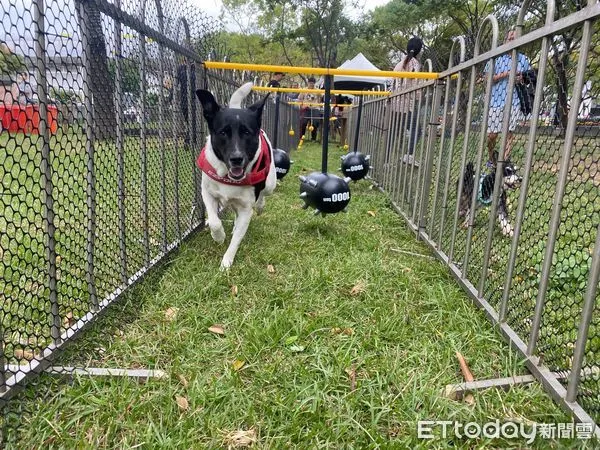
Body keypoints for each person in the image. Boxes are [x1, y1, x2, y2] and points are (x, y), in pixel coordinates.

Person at [485, 27, 531, 167]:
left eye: (515, 39)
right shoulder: (496, 58)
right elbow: (487, 79)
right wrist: (505, 74)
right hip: (495, 100)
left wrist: (521, 78)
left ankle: (503, 161)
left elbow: (527, 79)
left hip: (514, 101)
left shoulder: (523, 59)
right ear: (505, 41)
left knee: (509, 132)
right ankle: (491, 155)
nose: (512, 41)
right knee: (492, 134)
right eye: (510, 38)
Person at [391, 36, 423, 167]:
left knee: (393, 133)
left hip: (393, 103)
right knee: (417, 130)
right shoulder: (415, 64)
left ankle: (387, 160)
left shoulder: (399, 63)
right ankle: (409, 155)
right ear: (419, 50)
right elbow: (416, 87)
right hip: (405, 106)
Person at [298, 76, 321, 141]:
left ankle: (313, 138)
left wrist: (319, 105)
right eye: (310, 83)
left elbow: (320, 98)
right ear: (308, 83)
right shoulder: (304, 90)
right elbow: (299, 99)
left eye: (312, 83)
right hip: (306, 108)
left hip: (315, 108)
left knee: (314, 123)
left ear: (314, 83)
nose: (311, 84)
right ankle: (302, 137)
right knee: (303, 122)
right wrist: (301, 106)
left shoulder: (318, 91)